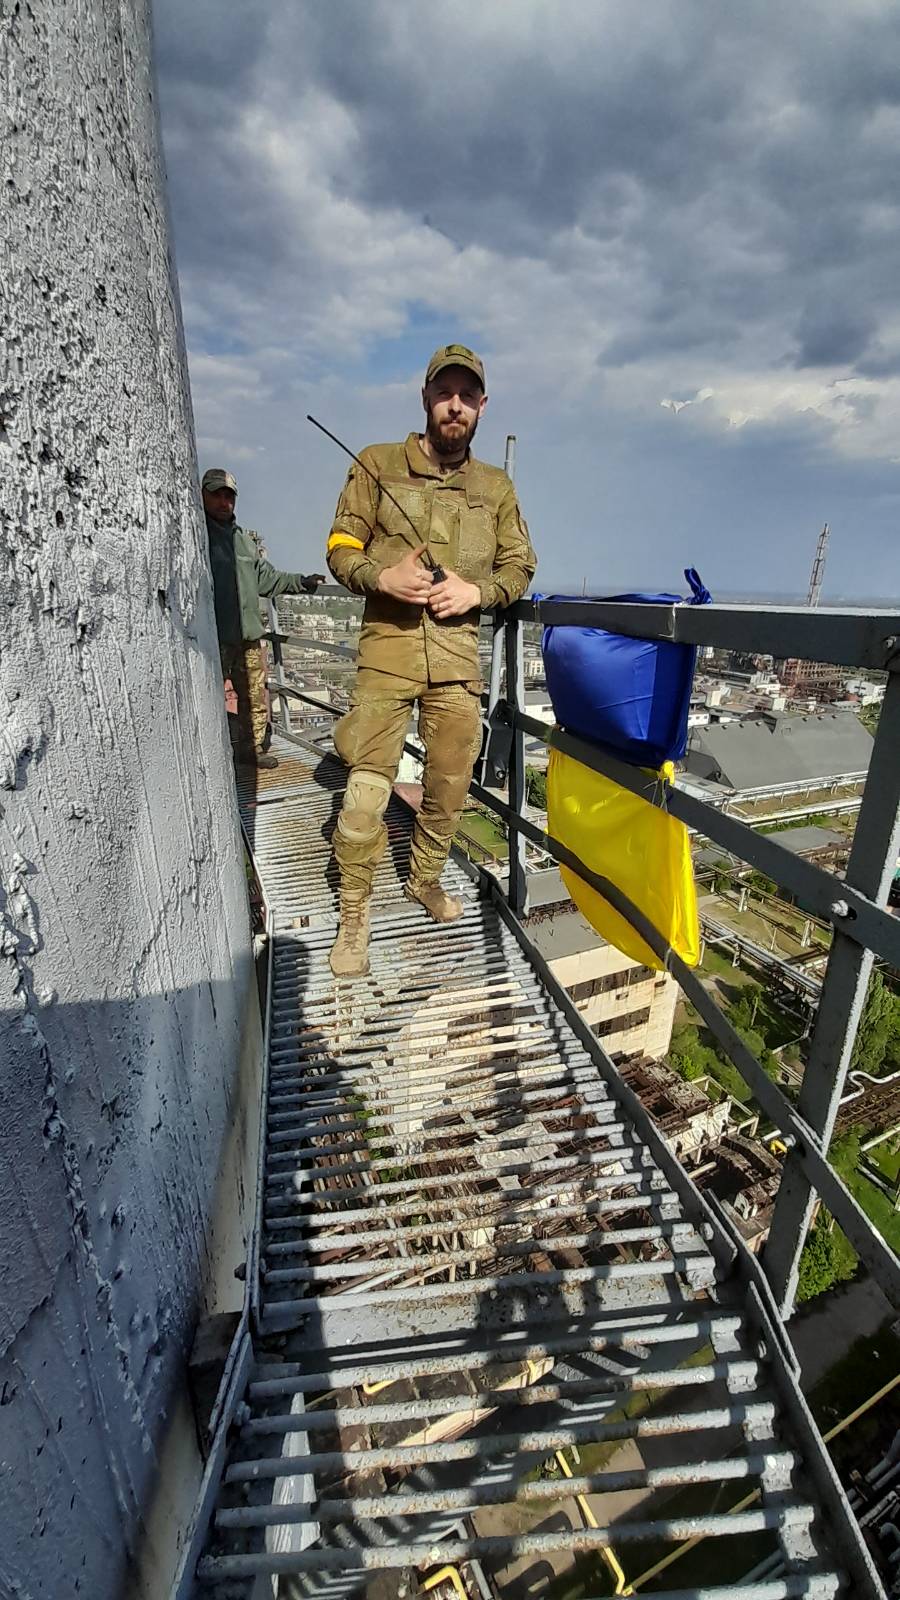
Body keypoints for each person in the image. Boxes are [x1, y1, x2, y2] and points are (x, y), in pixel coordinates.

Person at [325, 343, 536, 977]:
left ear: (481, 407)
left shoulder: (495, 488)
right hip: (386, 655)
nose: (455, 406)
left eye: (467, 397)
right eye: (445, 393)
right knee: (365, 791)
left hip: (455, 662)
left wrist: (480, 592)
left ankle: (423, 879)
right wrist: (380, 576)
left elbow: (519, 566)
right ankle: (354, 912)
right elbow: (339, 545)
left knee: (448, 786)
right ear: (425, 397)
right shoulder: (377, 463)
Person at [202, 467, 324, 769]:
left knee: (255, 698)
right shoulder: (197, 535)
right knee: (206, 700)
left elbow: (267, 579)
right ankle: (211, 757)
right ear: (202, 495)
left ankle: (251, 751)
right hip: (214, 639)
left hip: (248, 636)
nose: (223, 502)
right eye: (216, 495)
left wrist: (301, 582)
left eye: (228, 496)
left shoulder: (243, 540)